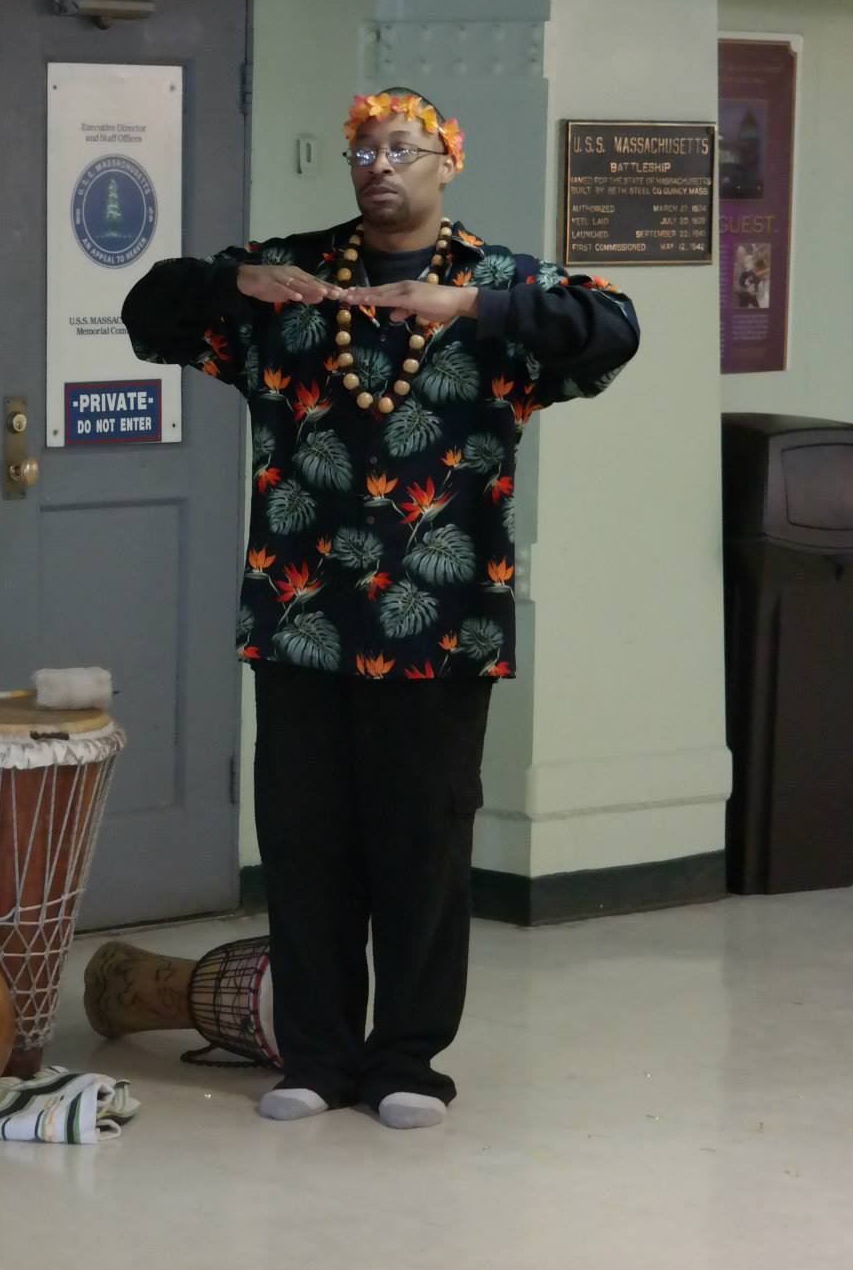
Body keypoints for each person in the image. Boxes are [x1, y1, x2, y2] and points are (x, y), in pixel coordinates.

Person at [122, 89, 640, 1130]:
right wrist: (230, 281)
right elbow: (149, 314)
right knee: (305, 847)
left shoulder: (496, 283)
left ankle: (407, 1060)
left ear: (447, 162)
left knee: (423, 852)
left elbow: (612, 328)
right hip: (301, 618)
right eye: (364, 151)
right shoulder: (291, 277)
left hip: (440, 626)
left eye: (403, 149)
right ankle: (314, 1056)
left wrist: (472, 309)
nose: (381, 167)